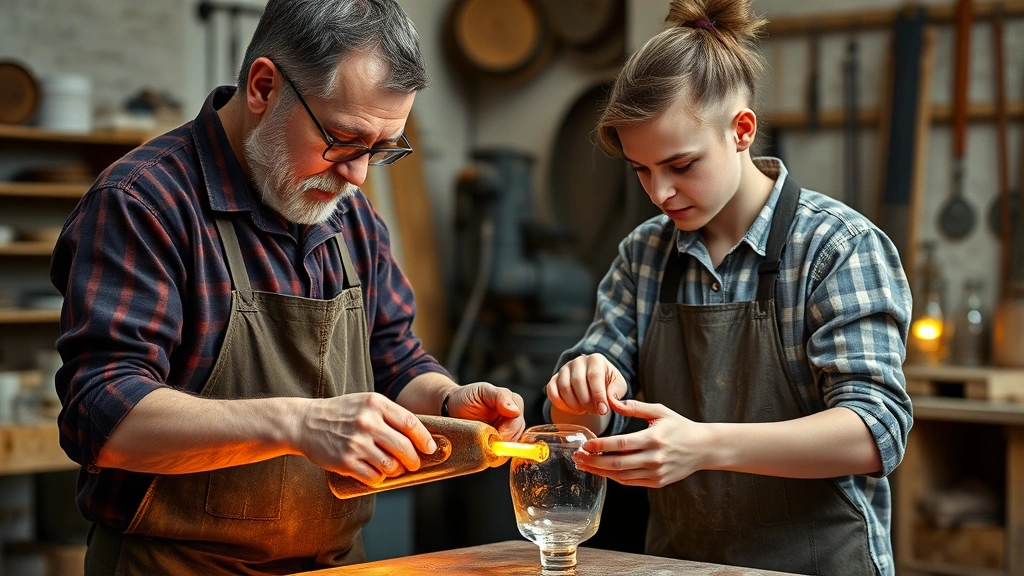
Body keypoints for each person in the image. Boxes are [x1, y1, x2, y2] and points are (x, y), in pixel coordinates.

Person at [50, 1, 525, 574]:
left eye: (382, 149)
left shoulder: (352, 218)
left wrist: (449, 401)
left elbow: (395, 361)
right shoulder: (144, 204)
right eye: (345, 139)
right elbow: (103, 414)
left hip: (335, 564)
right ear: (264, 87)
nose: (357, 175)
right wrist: (296, 424)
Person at [544, 1, 912, 574]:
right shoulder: (645, 254)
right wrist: (580, 394)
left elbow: (875, 432)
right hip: (681, 564)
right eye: (642, 170)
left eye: (681, 164)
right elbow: (582, 426)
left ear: (741, 130)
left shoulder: (836, 246)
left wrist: (705, 446)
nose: (661, 192)